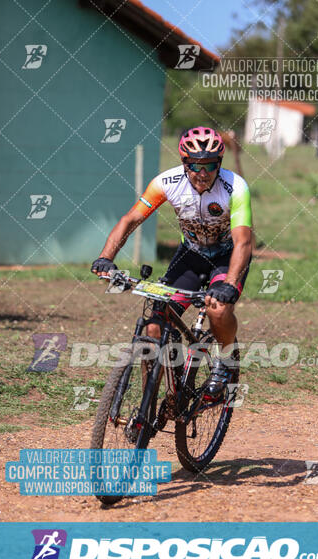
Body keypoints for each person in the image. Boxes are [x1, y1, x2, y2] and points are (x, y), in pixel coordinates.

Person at [91, 127, 253, 398]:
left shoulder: (235, 187)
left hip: (227, 255)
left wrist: (231, 283)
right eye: (195, 165)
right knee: (154, 325)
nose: (203, 173)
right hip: (191, 255)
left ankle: (225, 361)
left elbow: (244, 242)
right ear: (184, 163)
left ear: (219, 164)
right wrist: (106, 258)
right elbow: (130, 219)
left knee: (217, 307)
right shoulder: (166, 182)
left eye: (210, 165)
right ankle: (150, 401)